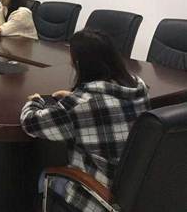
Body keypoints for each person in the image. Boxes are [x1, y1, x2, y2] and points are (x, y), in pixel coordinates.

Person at [20, 29, 150, 212]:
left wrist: (36, 101)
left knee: (42, 177)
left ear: (80, 64)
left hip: (101, 197)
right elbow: (102, 105)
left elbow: (30, 123)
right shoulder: (138, 88)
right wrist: (75, 98)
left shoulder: (81, 104)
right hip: (140, 188)